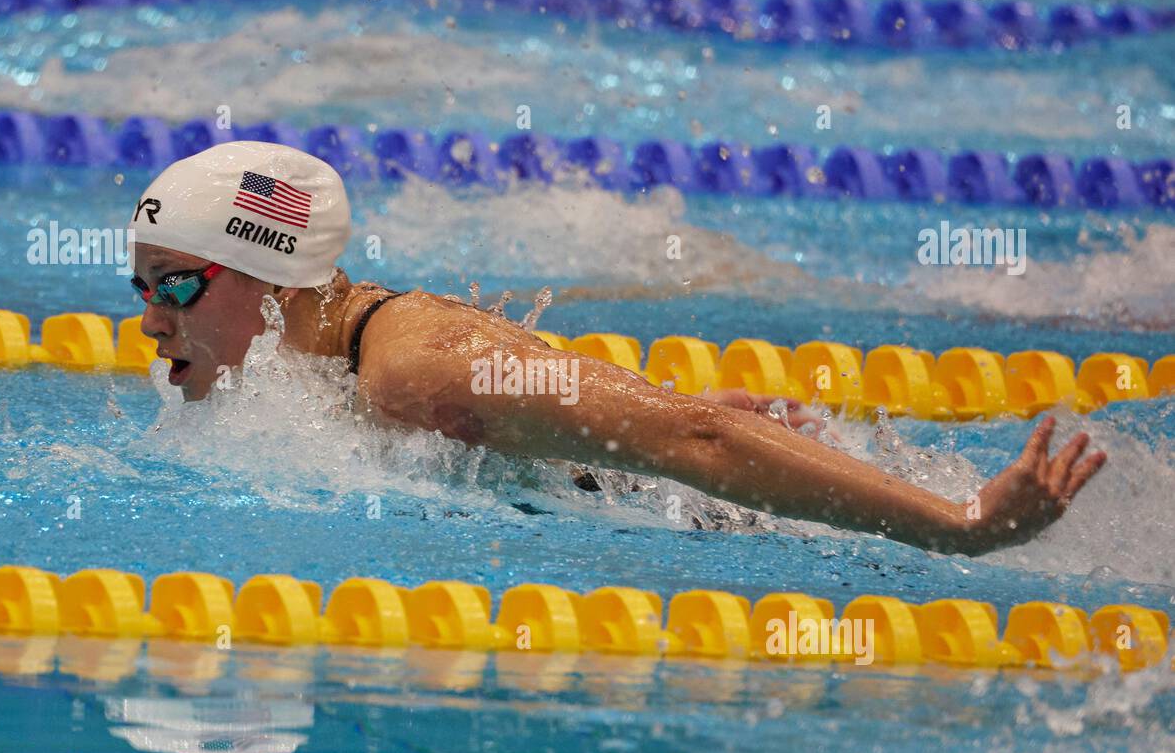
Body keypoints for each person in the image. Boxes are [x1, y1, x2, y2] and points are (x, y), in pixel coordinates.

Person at [128, 141, 1105, 555]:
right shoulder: (352, 353)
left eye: (176, 285)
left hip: (754, 519)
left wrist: (961, 520)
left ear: (271, 277)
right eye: (141, 288)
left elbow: (699, 449)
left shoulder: (409, 365)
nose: (150, 319)